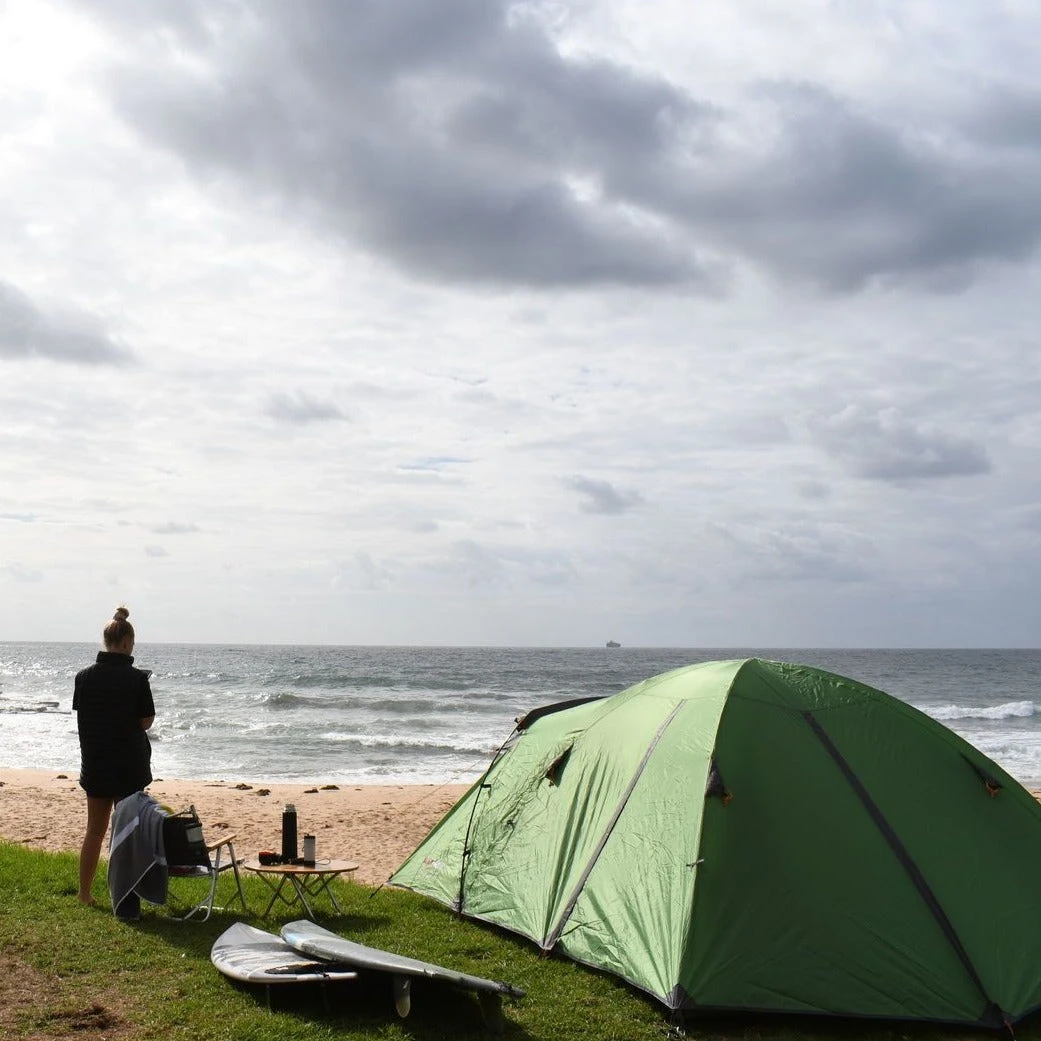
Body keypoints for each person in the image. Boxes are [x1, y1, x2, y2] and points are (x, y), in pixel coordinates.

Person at [74, 606, 155, 911]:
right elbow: (146, 721)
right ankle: (124, 895)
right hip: (128, 766)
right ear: (125, 643)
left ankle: (84, 892)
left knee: (94, 831)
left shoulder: (83, 677)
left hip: (95, 763)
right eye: (132, 643)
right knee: (126, 834)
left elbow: (85, 716)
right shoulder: (136, 679)